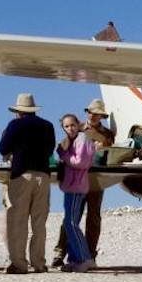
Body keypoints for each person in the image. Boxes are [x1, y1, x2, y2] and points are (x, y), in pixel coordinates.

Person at [51, 99, 115, 268]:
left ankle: (90, 255)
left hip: (96, 180)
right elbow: (63, 148)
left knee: (93, 217)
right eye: (91, 112)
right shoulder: (76, 128)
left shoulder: (108, 135)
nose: (93, 115)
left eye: (97, 113)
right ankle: (60, 253)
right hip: (77, 179)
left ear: (101, 116)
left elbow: (111, 155)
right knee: (72, 218)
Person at [0, 93, 56, 274]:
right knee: (39, 222)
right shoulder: (48, 126)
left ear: (18, 111)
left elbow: (3, 148)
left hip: (22, 175)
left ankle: (19, 263)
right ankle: (39, 262)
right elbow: (50, 150)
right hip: (43, 176)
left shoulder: (15, 125)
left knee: (19, 221)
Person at [56, 113, 97, 272]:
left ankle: (84, 258)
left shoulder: (82, 139)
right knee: (70, 222)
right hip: (71, 185)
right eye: (66, 126)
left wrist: (64, 155)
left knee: (70, 223)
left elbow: (81, 161)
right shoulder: (73, 141)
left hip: (77, 186)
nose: (70, 128)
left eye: (72, 125)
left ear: (77, 124)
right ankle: (74, 258)